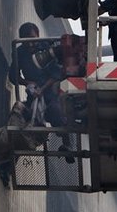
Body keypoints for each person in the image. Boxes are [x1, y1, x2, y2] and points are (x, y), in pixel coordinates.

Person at [8, 22, 74, 163]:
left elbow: (57, 72)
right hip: (33, 96)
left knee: (56, 111)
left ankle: (67, 144)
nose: (30, 44)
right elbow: (13, 76)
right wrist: (28, 83)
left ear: (37, 35)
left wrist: (42, 89)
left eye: (32, 39)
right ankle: (10, 163)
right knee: (24, 129)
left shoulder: (47, 46)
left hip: (50, 91)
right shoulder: (19, 52)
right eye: (26, 41)